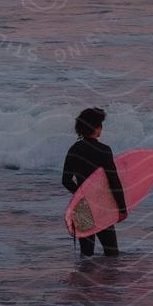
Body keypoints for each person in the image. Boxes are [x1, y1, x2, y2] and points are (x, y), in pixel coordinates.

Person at [62, 107, 126, 257]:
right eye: (100, 125)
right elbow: (113, 181)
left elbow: (66, 180)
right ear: (96, 127)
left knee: (86, 255)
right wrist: (122, 208)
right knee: (112, 253)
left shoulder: (74, 149)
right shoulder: (104, 150)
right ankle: (109, 279)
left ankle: (85, 280)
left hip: (82, 207)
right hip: (101, 206)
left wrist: (80, 193)